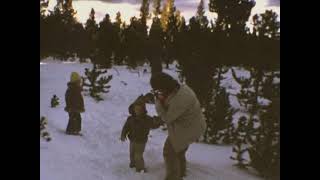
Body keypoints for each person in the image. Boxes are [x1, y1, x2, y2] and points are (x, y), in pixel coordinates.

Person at [150, 72, 207, 180]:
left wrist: (158, 102)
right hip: (192, 125)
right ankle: (181, 172)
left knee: (169, 152)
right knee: (179, 149)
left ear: (164, 86)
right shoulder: (180, 88)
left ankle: (173, 177)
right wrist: (162, 98)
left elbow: (167, 118)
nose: (157, 92)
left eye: (157, 89)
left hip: (188, 129)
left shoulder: (179, 100)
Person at [120, 95, 163, 173]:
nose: (137, 111)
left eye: (140, 109)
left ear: (143, 110)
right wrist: (123, 135)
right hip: (132, 139)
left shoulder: (147, 119)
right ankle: (133, 164)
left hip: (141, 141)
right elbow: (126, 127)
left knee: (138, 155)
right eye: (136, 109)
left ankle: (140, 168)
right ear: (133, 109)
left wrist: (158, 121)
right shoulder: (130, 119)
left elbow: (153, 124)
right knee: (132, 153)